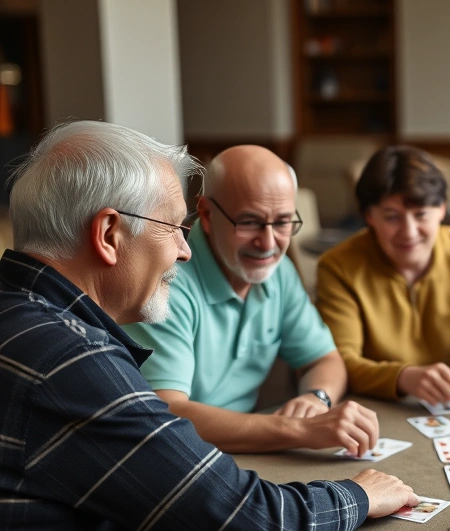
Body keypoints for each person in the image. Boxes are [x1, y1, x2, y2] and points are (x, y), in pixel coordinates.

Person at [0, 121, 417, 531]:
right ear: (108, 234)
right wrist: (361, 493)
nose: (184, 249)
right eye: (174, 227)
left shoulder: (23, 317)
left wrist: (312, 402)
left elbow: (323, 358)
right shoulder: (73, 361)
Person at [123, 145, 378, 455]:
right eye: (249, 222)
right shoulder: (166, 282)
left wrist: (317, 398)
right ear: (206, 214)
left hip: (249, 448)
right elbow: (168, 412)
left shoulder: (279, 271)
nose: (268, 243)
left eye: (283, 222)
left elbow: (325, 359)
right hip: (176, 455)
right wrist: (298, 429)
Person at [316, 145, 450, 404]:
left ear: (442, 209)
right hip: (375, 406)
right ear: (369, 216)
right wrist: (403, 376)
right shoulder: (338, 266)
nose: (409, 232)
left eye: (421, 215)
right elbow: (340, 362)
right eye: (392, 217)